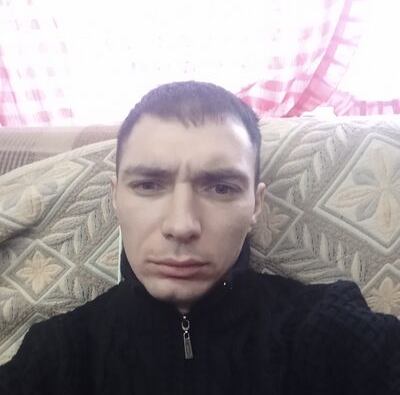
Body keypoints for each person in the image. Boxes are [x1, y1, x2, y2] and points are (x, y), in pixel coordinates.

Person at [0, 81, 399, 394]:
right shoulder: (60, 353)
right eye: (148, 185)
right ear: (115, 197)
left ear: (256, 204)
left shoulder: (321, 325)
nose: (182, 225)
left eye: (221, 188)